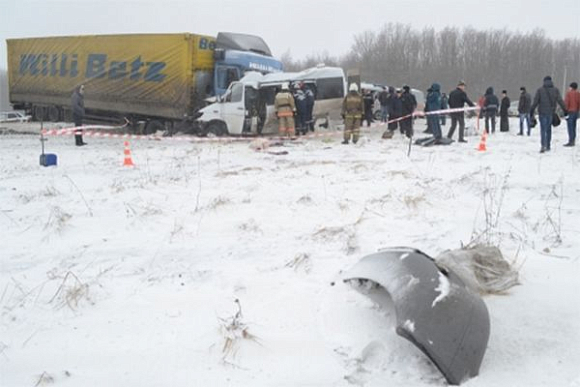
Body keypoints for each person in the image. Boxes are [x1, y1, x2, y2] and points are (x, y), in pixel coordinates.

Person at [530, 75, 567, 153]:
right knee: (548, 129)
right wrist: (565, 110)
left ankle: (543, 145)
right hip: (550, 113)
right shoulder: (555, 90)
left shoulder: (540, 90)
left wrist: (531, 110)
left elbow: (535, 102)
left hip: (542, 112)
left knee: (543, 129)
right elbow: (560, 101)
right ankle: (548, 145)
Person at [564, 82, 580, 147]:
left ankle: (570, 141)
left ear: (571, 87)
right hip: (576, 111)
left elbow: (566, 103)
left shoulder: (569, 94)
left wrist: (565, 111)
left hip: (570, 111)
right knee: (574, 126)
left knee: (570, 127)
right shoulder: (578, 94)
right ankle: (573, 139)